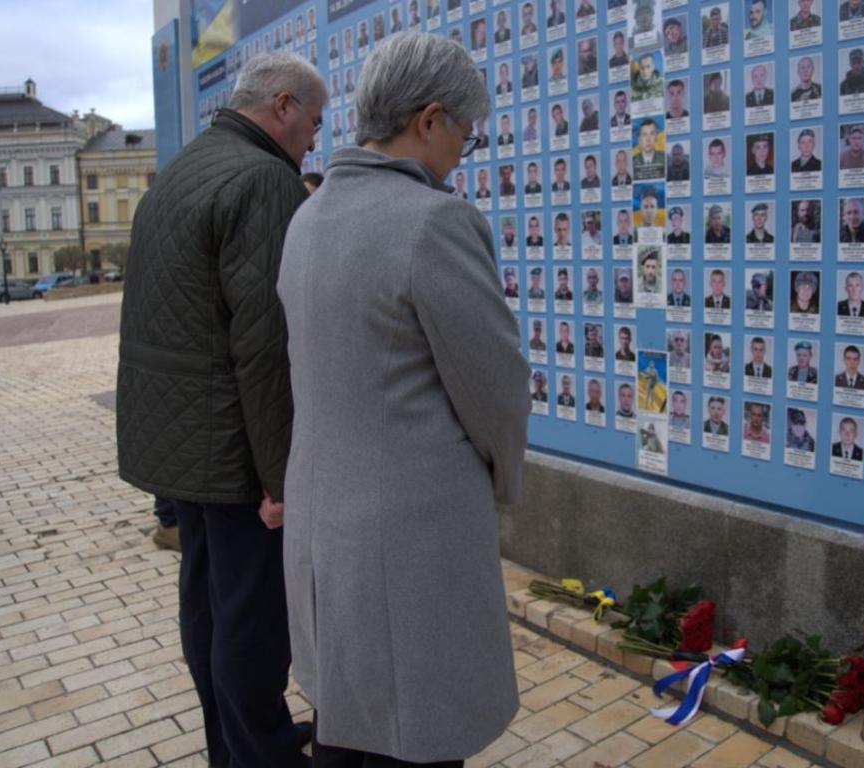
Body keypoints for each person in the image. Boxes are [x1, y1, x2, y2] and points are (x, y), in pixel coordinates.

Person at [277, 32, 530, 766]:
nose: (463, 151)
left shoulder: (308, 218)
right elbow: (497, 391)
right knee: (415, 736)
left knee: (347, 732)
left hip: (327, 536)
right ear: (428, 119)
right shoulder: (434, 221)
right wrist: (503, 481)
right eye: (465, 133)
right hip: (411, 542)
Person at [117, 51, 325, 768]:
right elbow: (265, 345)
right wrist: (279, 476)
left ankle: (234, 743)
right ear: (283, 106)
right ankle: (260, 753)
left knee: (207, 606)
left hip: (180, 443)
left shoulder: (185, 167)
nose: (314, 140)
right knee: (251, 620)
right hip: (230, 444)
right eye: (314, 122)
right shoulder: (264, 181)